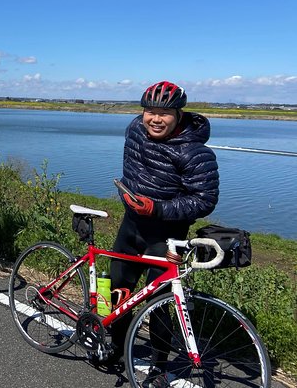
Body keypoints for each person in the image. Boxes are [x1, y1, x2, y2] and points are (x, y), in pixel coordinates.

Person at [110, 81, 219, 384]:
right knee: (117, 288)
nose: (155, 119)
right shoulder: (134, 129)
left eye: (164, 113)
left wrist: (157, 209)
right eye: (150, 112)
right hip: (132, 225)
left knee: (160, 301)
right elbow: (132, 167)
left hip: (169, 234)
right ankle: (115, 346)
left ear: (179, 115)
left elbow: (205, 199)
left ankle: (160, 364)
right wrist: (129, 197)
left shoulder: (196, 153)